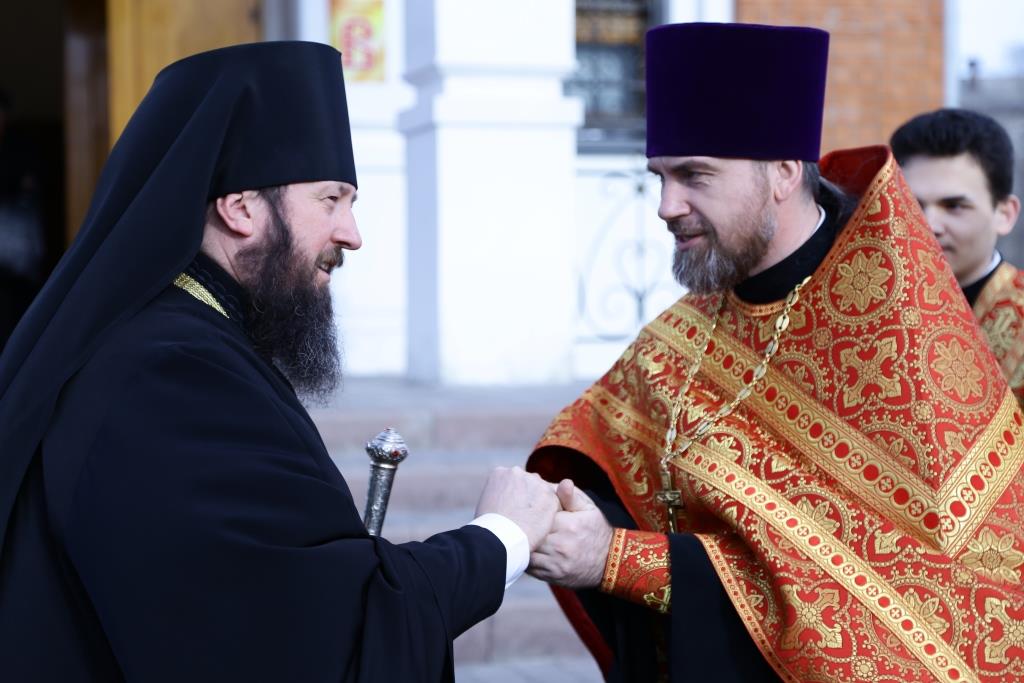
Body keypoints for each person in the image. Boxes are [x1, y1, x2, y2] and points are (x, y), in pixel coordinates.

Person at [0, 42, 560, 682]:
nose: (352, 234)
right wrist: (501, 536)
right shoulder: (170, 375)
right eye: (331, 199)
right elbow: (312, 636)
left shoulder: (185, 337)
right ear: (240, 207)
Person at [526, 22, 1024, 683]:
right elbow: (615, 477)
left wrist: (618, 559)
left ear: (785, 173)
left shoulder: (899, 335)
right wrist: (569, 511)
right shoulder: (679, 333)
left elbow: (887, 601)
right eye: (660, 177)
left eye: (695, 175)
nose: (667, 206)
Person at [891, 109, 1024, 403]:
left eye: (954, 206)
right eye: (911, 203)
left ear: (1004, 214)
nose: (929, 225)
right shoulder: (872, 313)